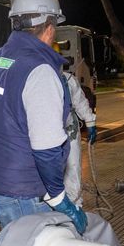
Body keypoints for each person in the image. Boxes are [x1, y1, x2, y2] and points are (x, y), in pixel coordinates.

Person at [0, 0, 87, 235]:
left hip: (0, 182)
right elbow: (46, 148)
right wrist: (61, 201)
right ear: (49, 28)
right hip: (26, 192)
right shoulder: (39, 72)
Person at [52, 43, 96, 206]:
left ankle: (75, 205)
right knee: (50, 173)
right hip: (48, 138)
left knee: (73, 169)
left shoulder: (69, 80)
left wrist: (90, 121)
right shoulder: (39, 82)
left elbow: (80, 102)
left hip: (69, 134)